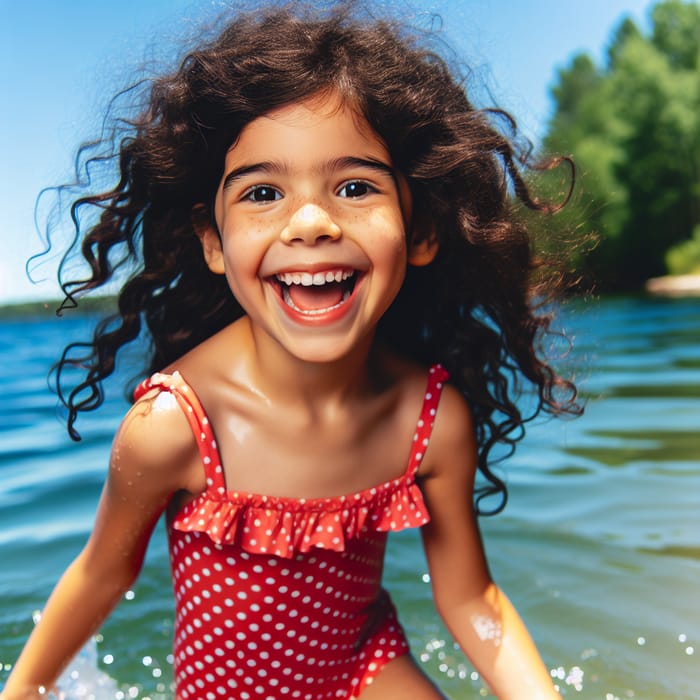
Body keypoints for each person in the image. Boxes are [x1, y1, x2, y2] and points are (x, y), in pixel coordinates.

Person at [2, 3, 580, 699]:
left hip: (365, 667)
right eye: (264, 193)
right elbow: (101, 574)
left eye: (355, 186)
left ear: (420, 231)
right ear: (215, 242)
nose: (310, 222)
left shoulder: (429, 420)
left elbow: (473, 601)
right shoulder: (174, 427)